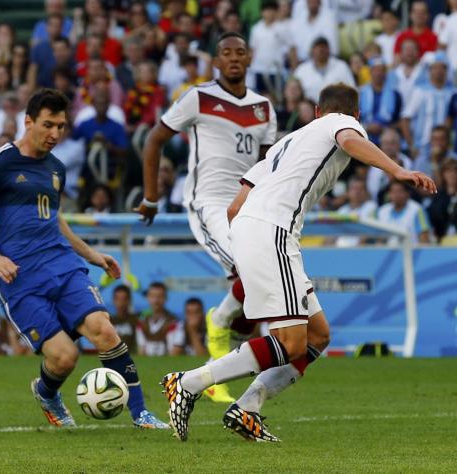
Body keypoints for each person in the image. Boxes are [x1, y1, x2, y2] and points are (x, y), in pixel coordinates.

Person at [162, 83, 436, 443]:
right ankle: (188, 382)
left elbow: (234, 207)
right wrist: (396, 170)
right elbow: (350, 141)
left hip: (254, 229)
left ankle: (248, 407)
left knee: (317, 336)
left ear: (317, 111)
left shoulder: (285, 143)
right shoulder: (341, 124)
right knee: (291, 342)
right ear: (352, 115)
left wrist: (250, 246)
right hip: (272, 230)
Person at [0, 88, 169, 430]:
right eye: (48, 125)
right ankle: (46, 392)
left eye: (61, 126)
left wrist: (92, 255)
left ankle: (141, 413)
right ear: (28, 122)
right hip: (20, 277)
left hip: (63, 265)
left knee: (103, 330)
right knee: (64, 357)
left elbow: (55, 219)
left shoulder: (57, 168)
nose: (55, 134)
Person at [139, 32, 276, 405]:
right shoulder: (198, 97)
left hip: (249, 204)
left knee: (259, 290)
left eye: (240, 52)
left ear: (249, 60)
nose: (233, 58)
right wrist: (152, 197)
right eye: (226, 53)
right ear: (216, 61)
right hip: (210, 203)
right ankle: (217, 324)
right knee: (251, 271)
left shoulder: (263, 107)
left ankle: (222, 361)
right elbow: (154, 139)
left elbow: (266, 166)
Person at [401, 52, 455, 162]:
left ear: (446, 71)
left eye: (442, 68)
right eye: (435, 68)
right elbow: (405, 119)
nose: (439, 71)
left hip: (447, 149)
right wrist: (412, 146)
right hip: (422, 148)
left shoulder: (453, 93)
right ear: (429, 70)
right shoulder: (420, 91)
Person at [293, 37, 355, 102]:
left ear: (329, 50)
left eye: (324, 47)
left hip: (337, 109)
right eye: (318, 47)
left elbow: (352, 90)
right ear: (312, 50)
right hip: (309, 110)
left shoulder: (341, 66)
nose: (321, 50)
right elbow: (293, 91)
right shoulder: (301, 70)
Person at [377, 180, 433, 244]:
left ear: (408, 193)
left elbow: (424, 240)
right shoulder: (382, 211)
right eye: (393, 192)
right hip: (389, 252)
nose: (396, 195)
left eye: (400, 191)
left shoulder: (417, 210)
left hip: (412, 252)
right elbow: (379, 240)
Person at [135, 282, 180, 357]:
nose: (156, 301)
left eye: (160, 296)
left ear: (166, 298)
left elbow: (174, 353)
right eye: (152, 296)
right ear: (147, 297)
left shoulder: (174, 321)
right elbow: (141, 350)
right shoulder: (142, 321)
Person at [109, 285, 139, 351]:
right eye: (117, 299)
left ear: (129, 300)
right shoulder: (108, 321)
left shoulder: (136, 319)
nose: (121, 303)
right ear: (113, 300)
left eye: (124, 299)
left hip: (133, 358)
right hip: (113, 358)